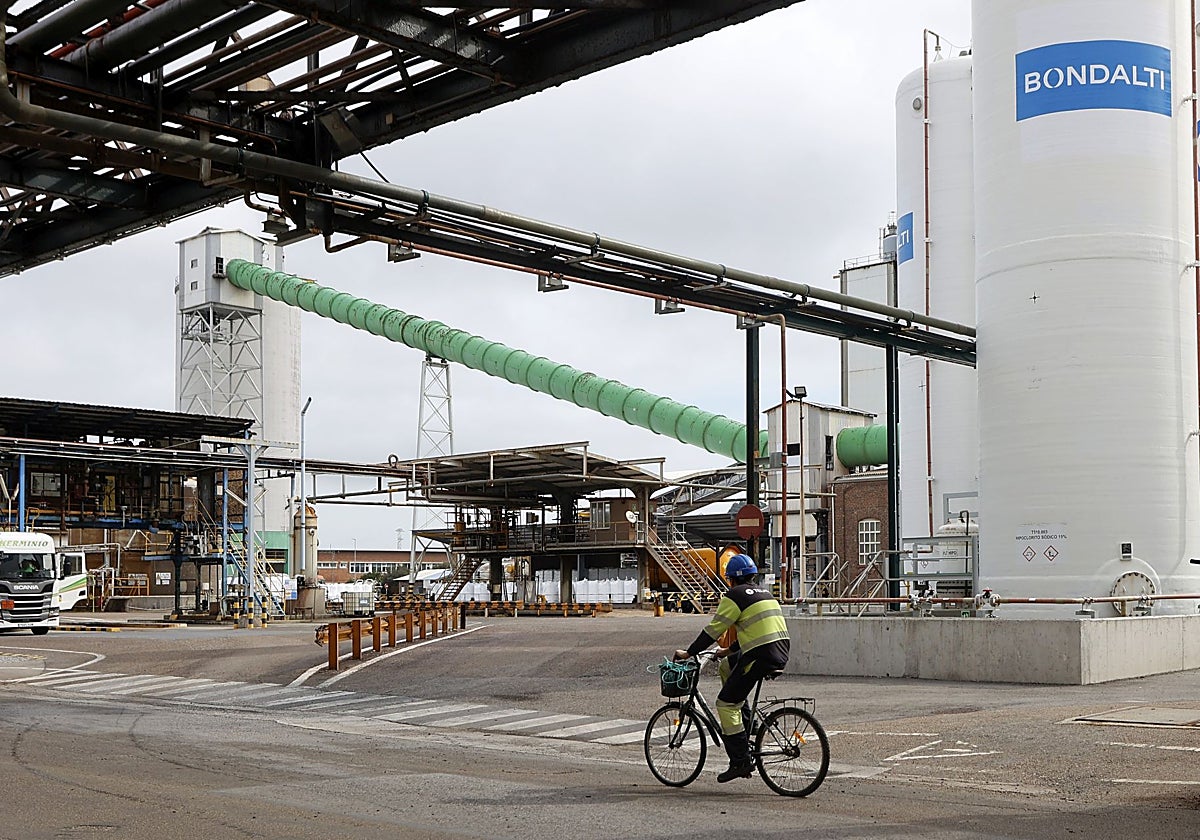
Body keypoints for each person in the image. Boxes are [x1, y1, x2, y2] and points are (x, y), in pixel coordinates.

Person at [673, 553, 789, 783]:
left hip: (759, 656)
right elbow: (753, 630)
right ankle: (747, 724)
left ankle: (740, 761)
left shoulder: (734, 596)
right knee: (727, 666)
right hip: (778, 651)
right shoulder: (766, 594)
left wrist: (689, 653)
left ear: (732, 579)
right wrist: (727, 650)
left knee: (725, 704)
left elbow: (713, 630)